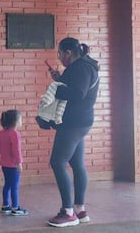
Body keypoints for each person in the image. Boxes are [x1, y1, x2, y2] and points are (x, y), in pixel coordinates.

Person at [45, 37, 99, 227]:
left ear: (68, 53)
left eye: (60, 54)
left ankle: (68, 212)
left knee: (57, 162)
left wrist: (55, 89)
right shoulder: (83, 66)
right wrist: (59, 79)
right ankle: (79, 210)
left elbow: (77, 93)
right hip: (80, 121)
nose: (59, 58)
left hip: (73, 122)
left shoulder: (81, 67)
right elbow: (75, 87)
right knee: (76, 162)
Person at [0, 109, 28, 216]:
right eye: (20, 119)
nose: (21, 121)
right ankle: (15, 207)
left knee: (7, 185)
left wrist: (4, 155)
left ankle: (5, 205)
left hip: (4, 164)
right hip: (13, 165)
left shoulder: (1, 133)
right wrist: (19, 163)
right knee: (14, 186)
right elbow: (16, 150)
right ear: (15, 122)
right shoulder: (15, 134)